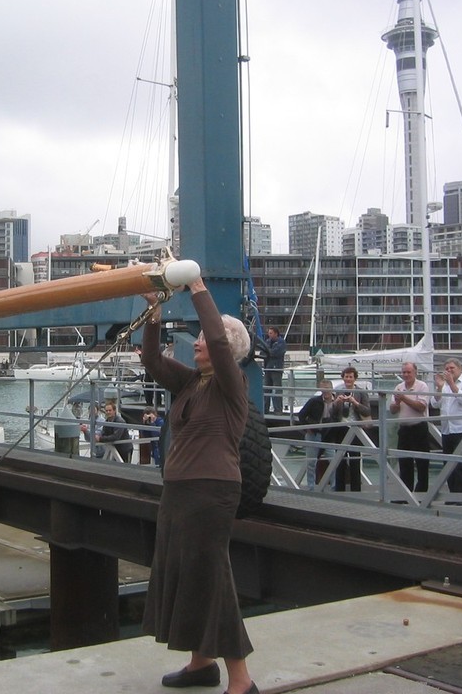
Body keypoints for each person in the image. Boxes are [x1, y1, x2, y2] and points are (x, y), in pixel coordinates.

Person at [140, 277, 258, 694]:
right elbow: (152, 360)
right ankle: (201, 663)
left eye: (204, 341)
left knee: (211, 576)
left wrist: (198, 288)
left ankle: (241, 680)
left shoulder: (232, 385)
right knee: (186, 573)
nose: (197, 344)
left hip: (212, 491)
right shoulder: (191, 383)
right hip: (179, 489)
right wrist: (154, 310)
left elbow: (220, 343)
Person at [431, 358, 462, 504]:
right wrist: (439, 387)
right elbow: (435, 403)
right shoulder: (444, 385)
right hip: (447, 429)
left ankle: (461, 497)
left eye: (452, 368)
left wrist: (451, 384)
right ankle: (452, 495)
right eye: (447, 369)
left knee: (460, 464)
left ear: (459, 369)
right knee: (448, 463)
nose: (449, 371)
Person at [326, 366, 371, 492]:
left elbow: (367, 411)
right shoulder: (338, 391)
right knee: (340, 460)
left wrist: (355, 402)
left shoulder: (361, 392)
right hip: (341, 428)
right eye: (346, 376)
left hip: (356, 429)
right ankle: (340, 489)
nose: (348, 379)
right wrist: (337, 403)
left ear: (355, 378)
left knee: (355, 460)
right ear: (343, 377)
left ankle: (356, 489)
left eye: (351, 377)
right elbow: (332, 412)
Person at [389, 361, 431, 493]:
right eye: (404, 372)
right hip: (404, 429)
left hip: (419, 428)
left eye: (409, 372)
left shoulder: (422, 386)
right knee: (404, 462)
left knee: (422, 462)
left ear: (415, 373)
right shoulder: (398, 387)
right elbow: (393, 410)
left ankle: (422, 493)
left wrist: (404, 398)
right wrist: (397, 402)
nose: (406, 375)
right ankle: (406, 493)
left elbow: (421, 407)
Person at [296, 379, 335, 490]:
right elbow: (301, 415)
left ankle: (334, 486)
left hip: (328, 435)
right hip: (314, 433)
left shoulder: (336, 401)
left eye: (327, 389)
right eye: (323, 389)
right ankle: (310, 487)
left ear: (331, 388)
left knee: (333, 461)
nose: (325, 391)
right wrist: (308, 428)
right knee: (311, 462)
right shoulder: (314, 401)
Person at [256, 326, 287, 413]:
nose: (269, 335)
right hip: (267, 369)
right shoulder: (267, 341)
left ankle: (278, 409)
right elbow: (262, 352)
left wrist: (268, 352)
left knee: (277, 389)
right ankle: (265, 409)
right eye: (268, 333)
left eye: (271, 333)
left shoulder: (281, 343)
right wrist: (268, 352)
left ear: (276, 333)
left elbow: (275, 352)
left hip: (276, 369)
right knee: (266, 389)